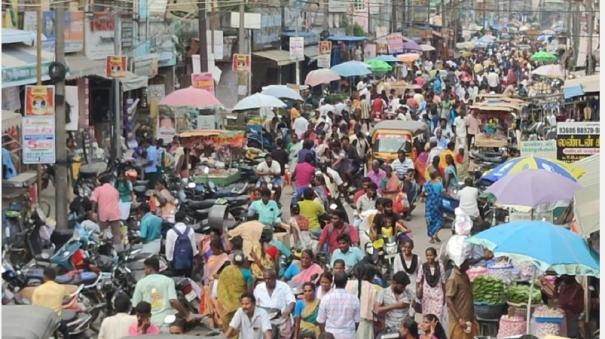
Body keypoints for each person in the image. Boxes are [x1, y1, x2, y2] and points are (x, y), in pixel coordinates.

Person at [131, 256, 193, 334]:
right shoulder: (168, 281)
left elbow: (136, 305)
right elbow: (173, 301)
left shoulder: (140, 283)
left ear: (150, 269)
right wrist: (186, 315)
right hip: (166, 322)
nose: (144, 271)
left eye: (145, 268)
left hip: (148, 324)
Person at [254, 268, 296, 338]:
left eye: (269, 279)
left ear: (275, 278)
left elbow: (292, 301)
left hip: (281, 317)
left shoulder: (284, 286)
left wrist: (287, 310)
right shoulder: (259, 288)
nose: (267, 281)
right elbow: (255, 304)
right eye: (265, 279)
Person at [317, 271, 360, 339]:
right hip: (348, 334)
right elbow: (357, 321)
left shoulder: (326, 298)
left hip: (330, 334)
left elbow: (320, 321)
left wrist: (324, 334)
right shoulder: (354, 299)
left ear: (333, 282)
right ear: (346, 282)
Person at [32, 266, 70, 339]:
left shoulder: (38, 290)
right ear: (55, 277)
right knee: (65, 330)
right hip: (56, 320)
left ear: (44, 276)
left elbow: (34, 306)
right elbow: (68, 297)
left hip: (42, 321)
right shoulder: (61, 288)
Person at [345, 264, 382, 338]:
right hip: (365, 323)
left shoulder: (346, 284)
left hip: (347, 321)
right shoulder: (374, 288)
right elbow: (376, 310)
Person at [445, 259, 479, 339]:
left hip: (468, 317)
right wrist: (459, 319)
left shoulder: (465, 276)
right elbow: (449, 300)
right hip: (459, 320)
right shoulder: (453, 278)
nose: (468, 265)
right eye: (466, 263)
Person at [216, 251, 249, 331]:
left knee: (229, 329)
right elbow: (249, 292)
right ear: (244, 260)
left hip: (225, 304)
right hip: (240, 305)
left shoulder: (225, 270)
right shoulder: (247, 273)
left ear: (233, 260)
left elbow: (220, 286)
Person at [90, 175, 122, 248]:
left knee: (104, 233)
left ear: (101, 182)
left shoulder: (98, 189)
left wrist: (93, 212)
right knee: (116, 233)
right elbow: (117, 200)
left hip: (103, 214)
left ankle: (105, 249)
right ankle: (118, 250)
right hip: (114, 214)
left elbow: (94, 200)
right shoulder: (115, 190)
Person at [165, 211, 198, 277]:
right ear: (184, 219)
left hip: (176, 263)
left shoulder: (170, 232)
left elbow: (169, 250)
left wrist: (169, 260)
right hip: (188, 261)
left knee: (177, 281)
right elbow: (193, 247)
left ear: (175, 219)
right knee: (188, 280)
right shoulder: (190, 230)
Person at [417, 247, 445, 320]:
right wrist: (417, 293)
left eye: (431, 255)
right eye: (427, 255)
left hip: (438, 296)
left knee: (438, 317)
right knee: (427, 318)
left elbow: (443, 282)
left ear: (435, 256)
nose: (429, 257)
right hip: (426, 297)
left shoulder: (440, 266)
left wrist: (445, 296)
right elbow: (418, 281)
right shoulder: (423, 267)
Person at [423, 171, 444, 244]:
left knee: (429, 220)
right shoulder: (439, 184)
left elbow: (423, 193)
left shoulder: (426, 184)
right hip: (437, 204)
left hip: (429, 204)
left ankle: (432, 237)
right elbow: (442, 192)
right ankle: (435, 234)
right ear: (436, 175)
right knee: (439, 220)